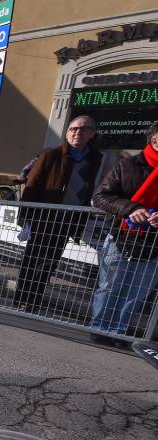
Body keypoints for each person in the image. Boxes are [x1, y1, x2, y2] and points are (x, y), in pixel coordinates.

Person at [13, 115, 102, 312]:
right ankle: (22, 298)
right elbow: (32, 185)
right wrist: (25, 218)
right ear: (67, 132)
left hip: (68, 220)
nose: (77, 133)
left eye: (83, 129)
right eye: (73, 129)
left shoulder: (95, 159)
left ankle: (35, 299)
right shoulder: (51, 155)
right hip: (44, 219)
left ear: (92, 134)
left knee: (50, 262)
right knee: (33, 260)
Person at [89, 121, 158, 346]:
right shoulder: (127, 165)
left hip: (153, 244)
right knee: (110, 286)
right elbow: (101, 197)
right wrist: (131, 208)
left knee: (137, 292)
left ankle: (120, 332)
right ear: (154, 140)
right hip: (121, 236)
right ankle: (100, 328)